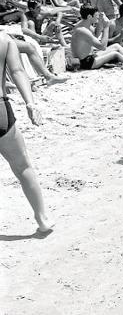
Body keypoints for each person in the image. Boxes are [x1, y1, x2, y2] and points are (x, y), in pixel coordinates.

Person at [0, 32, 54, 234]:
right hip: (0, 110)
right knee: (22, 166)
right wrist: (30, 104)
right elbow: (17, 71)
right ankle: (42, 218)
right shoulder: (4, 40)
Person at [71, 5, 123, 70]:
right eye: (96, 16)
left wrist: (100, 22)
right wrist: (106, 27)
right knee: (115, 54)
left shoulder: (85, 25)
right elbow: (102, 47)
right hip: (86, 62)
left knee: (116, 46)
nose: (97, 17)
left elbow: (95, 35)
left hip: (89, 56)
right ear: (89, 17)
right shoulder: (82, 30)